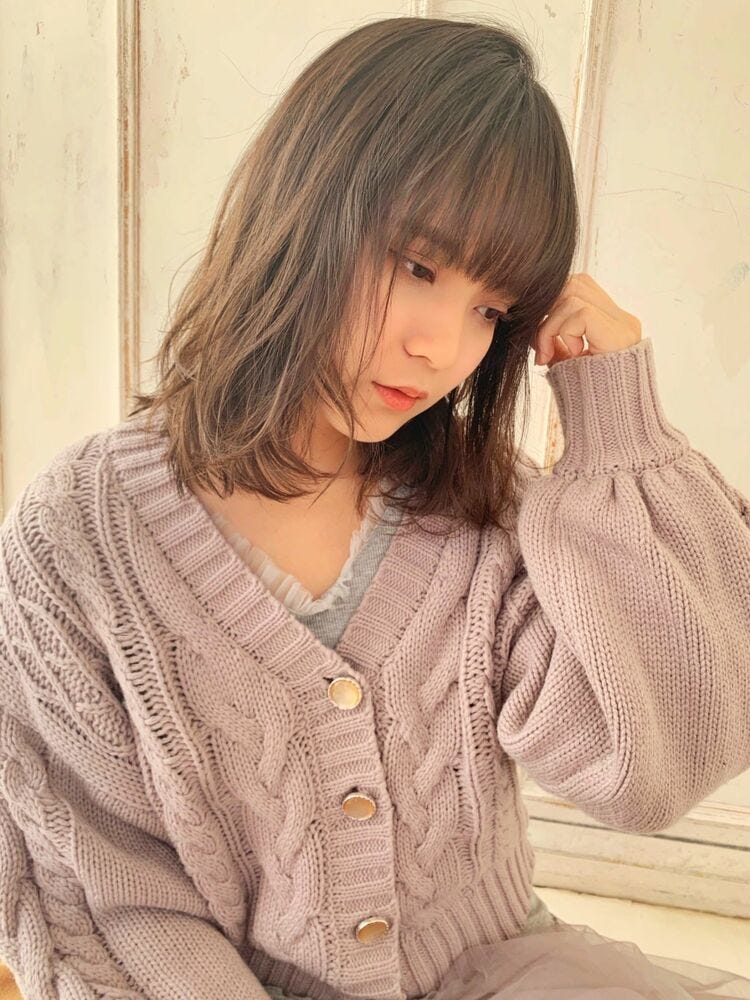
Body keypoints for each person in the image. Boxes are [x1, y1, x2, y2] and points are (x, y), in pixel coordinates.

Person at [1, 14, 749, 1000]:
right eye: (417, 265)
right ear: (300, 211)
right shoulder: (76, 539)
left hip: (505, 972)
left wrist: (619, 426)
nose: (442, 347)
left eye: (490, 309)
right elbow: (108, 895)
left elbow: (652, 765)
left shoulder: (485, 509)